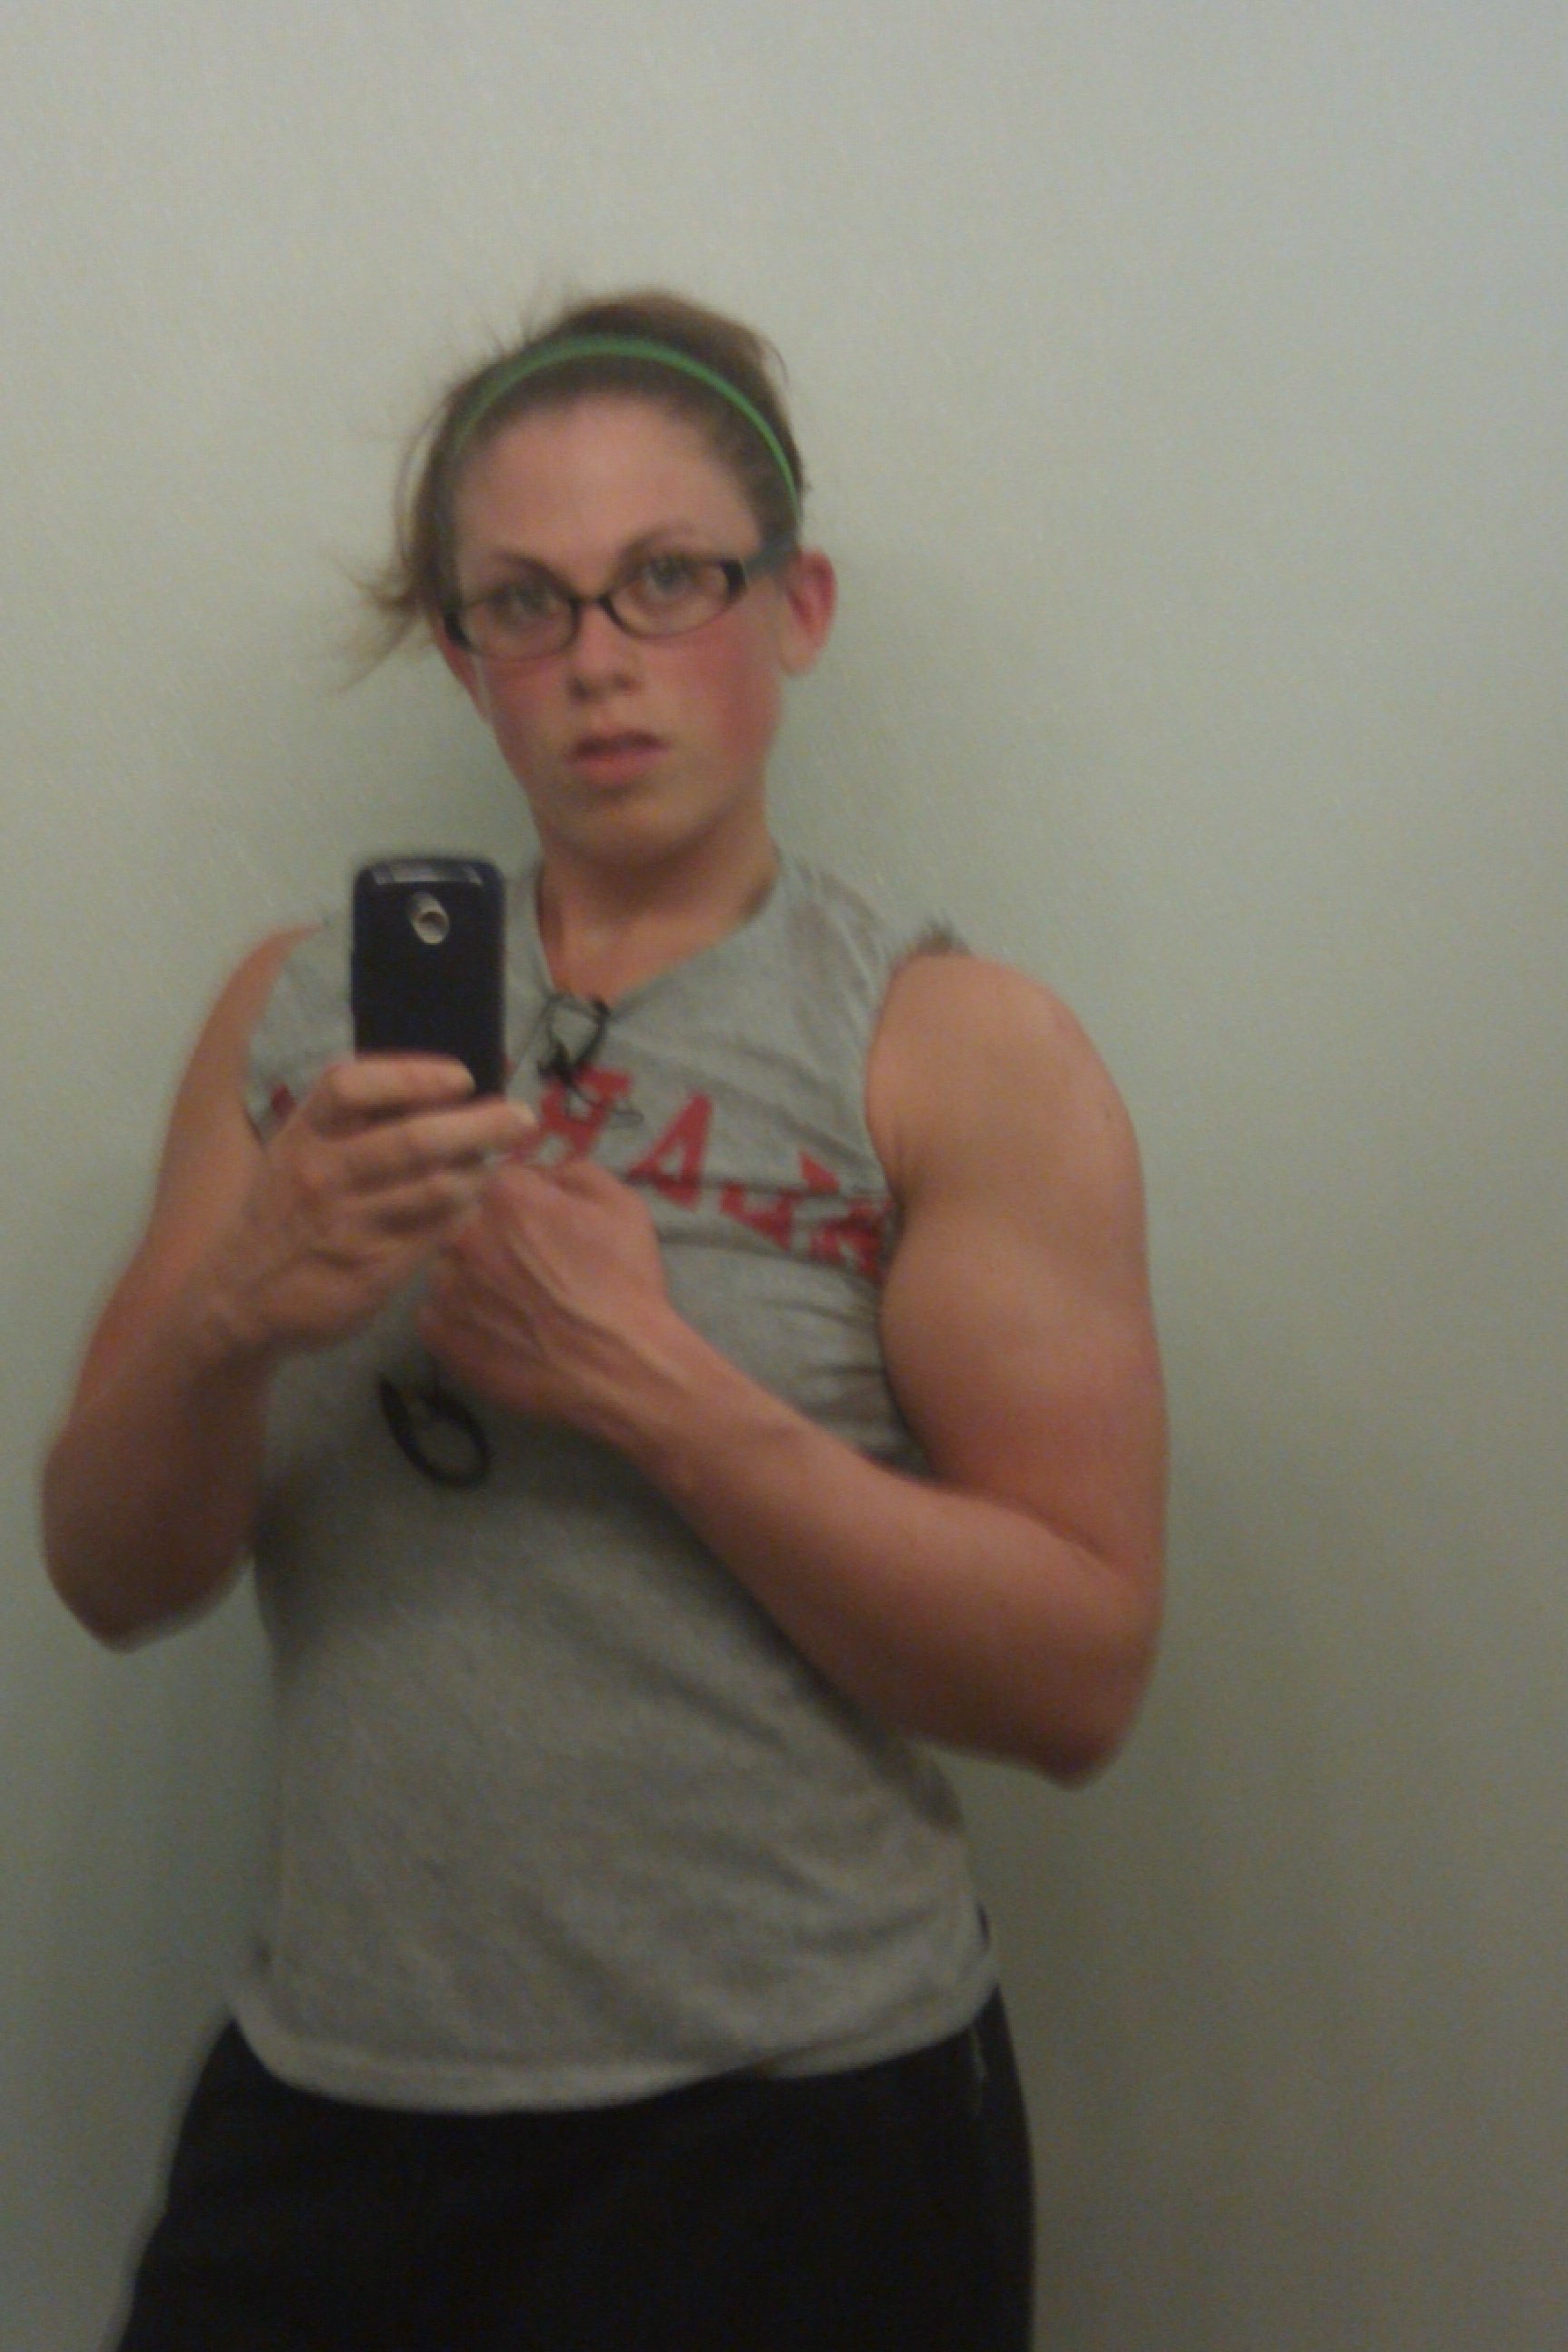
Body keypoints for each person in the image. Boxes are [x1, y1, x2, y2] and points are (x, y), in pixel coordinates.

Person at [42, 289, 1167, 2351]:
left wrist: (653, 1389)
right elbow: (109, 1575)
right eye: (526, 603)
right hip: (339, 2105)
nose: (598, 659)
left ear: (794, 604)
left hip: (800, 2131)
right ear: (463, 653)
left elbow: (1076, 1678)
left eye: (669, 579)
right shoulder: (296, 1022)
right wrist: (231, 1318)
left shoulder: (952, 1048)